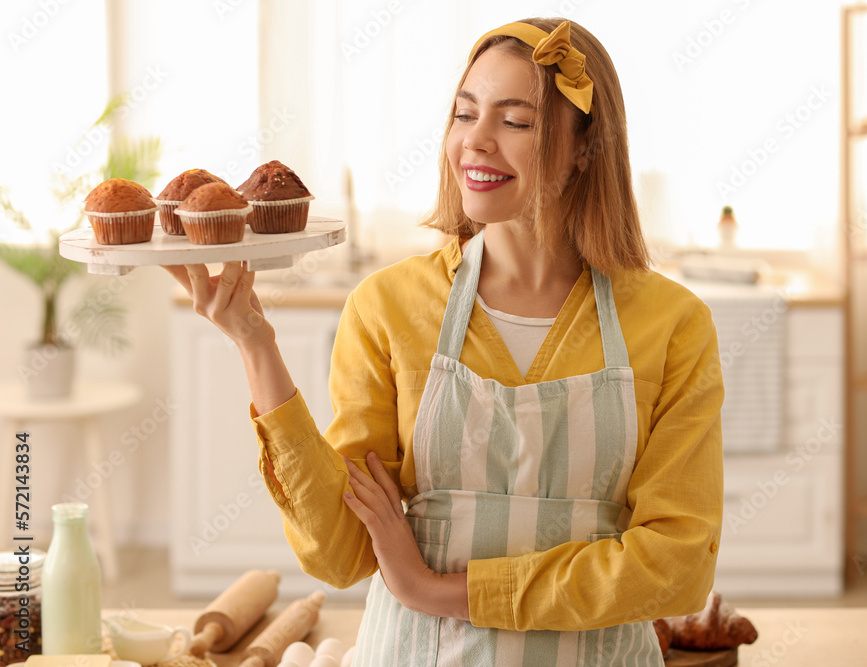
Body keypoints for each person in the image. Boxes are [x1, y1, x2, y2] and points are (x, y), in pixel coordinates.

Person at [166, 17, 723, 667]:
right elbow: (342, 551)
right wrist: (254, 344)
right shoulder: (388, 307)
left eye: (515, 121)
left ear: (583, 148)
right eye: (464, 114)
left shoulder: (671, 323)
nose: (475, 143)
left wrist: (438, 588)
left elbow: (676, 566)